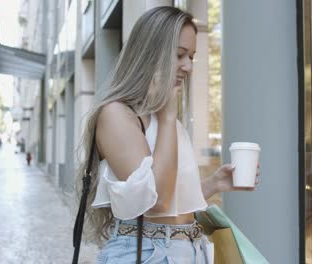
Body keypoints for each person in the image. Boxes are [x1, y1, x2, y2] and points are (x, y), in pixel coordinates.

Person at [76, 6, 260, 263]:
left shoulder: (161, 116)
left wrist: (214, 183)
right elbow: (156, 203)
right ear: (149, 54)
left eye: (192, 57)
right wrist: (167, 119)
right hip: (148, 253)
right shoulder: (118, 114)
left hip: (189, 251)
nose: (187, 66)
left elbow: (172, 202)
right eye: (179, 55)